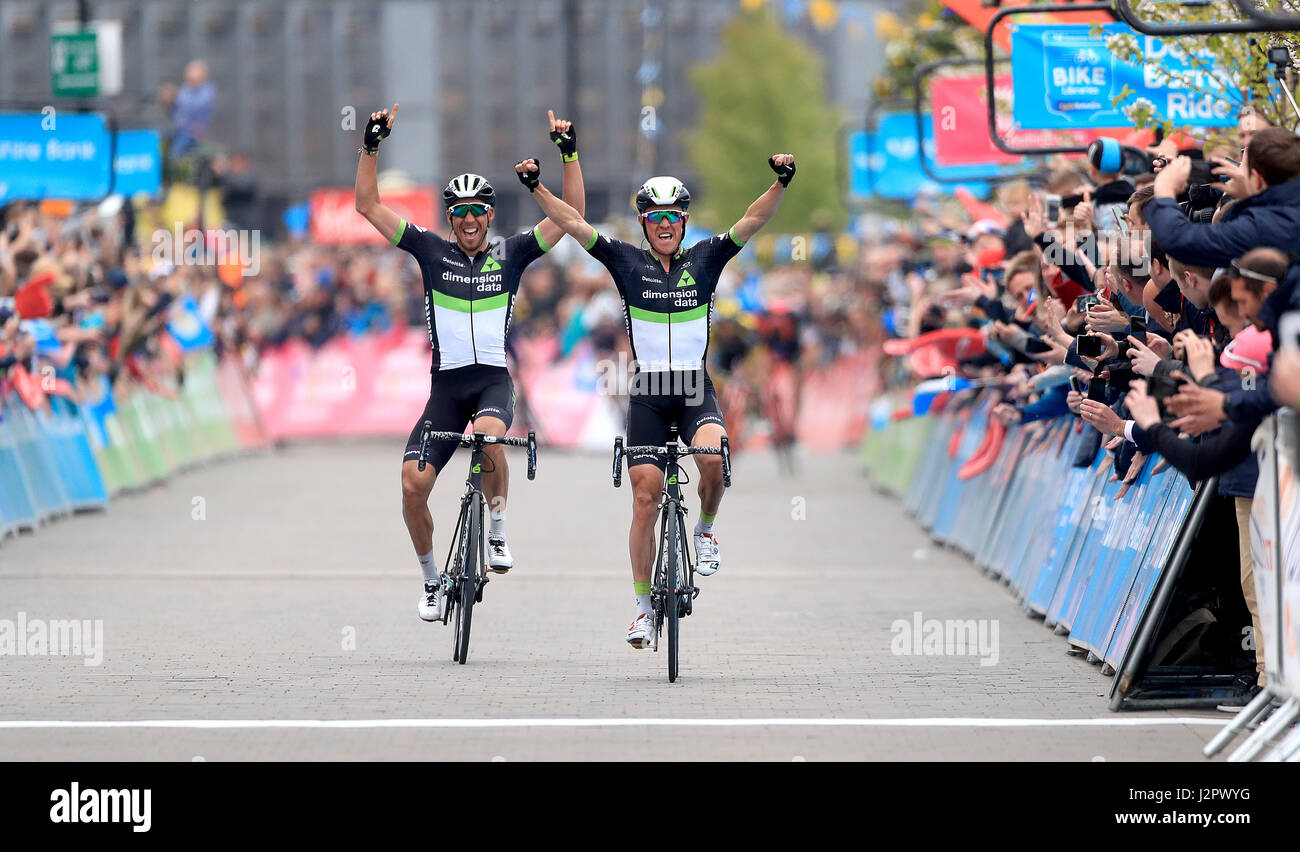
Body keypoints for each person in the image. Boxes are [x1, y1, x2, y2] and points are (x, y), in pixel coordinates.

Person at [514, 152, 795, 648]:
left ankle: (705, 530)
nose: (665, 225)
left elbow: (752, 220)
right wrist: (537, 186)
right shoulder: (626, 261)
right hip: (647, 392)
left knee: (712, 456)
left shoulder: (707, 258)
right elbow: (573, 223)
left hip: (692, 390)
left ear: (683, 221)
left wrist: (780, 182)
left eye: (673, 217)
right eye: (655, 217)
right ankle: (642, 607)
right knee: (645, 499)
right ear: (644, 223)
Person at [353, 104, 585, 622]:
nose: (470, 219)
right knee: (413, 486)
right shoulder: (431, 252)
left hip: (492, 385)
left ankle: (497, 530)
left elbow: (572, 215)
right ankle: (432, 580)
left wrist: (567, 153)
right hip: (445, 391)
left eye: (478, 209)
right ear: (449, 218)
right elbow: (367, 205)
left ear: (491, 215)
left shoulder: (512, 254)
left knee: (488, 438)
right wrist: (370, 145)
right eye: (459, 212)